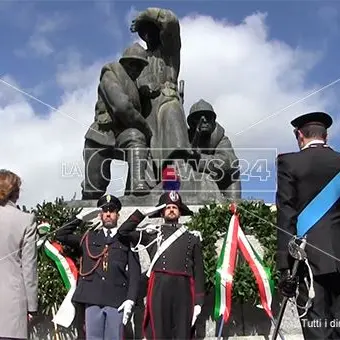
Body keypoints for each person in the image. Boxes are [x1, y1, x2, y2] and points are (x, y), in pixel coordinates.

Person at [276, 112, 340, 339]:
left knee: (318, 328)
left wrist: (284, 267)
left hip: (309, 262)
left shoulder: (288, 162)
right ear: (326, 136)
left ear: (299, 135)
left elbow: (287, 214)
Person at [55, 194, 147, 340]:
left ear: (118, 215)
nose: (108, 214)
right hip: (93, 298)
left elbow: (135, 274)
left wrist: (130, 299)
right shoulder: (89, 237)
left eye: (112, 211)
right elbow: (61, 235)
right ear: (100, 215)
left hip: (116, 300)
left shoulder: (126, 240)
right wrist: (79, 219)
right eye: (105, 211)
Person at [118, 191, 205, 339]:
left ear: (180, 212)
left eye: (175, 207)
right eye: (168, 207)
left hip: (183, 289)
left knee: (182, 333)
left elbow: (199, 272)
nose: (171, 210)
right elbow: (123, 232)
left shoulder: (192, 238)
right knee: (159, 331)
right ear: (161, 212)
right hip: (159, 287)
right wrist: (141, 214)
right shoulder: (153, 234)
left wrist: (199, 302)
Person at [82, 42, 153, 199]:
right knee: (94, 189)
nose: (136, 69)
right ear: (124, 62)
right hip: (102, 135)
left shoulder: (134, 84)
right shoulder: (111, 73)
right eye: (132, 64)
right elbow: (121, 107)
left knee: (136, 137)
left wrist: (147, 95)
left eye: (140, 66)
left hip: (123, 134)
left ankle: (137, 183)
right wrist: (147, 129)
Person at [0, 169, 38, 340]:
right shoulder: (26, 220)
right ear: (15, 192)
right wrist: (32, 307)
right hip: (12, 306)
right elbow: (28, 267)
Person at [187, 99, 241, 199]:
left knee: (233, 173)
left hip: (218, 180)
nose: (204, 120)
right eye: (198, 117)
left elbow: (230, 161)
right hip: (192, 180)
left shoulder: (221, 138)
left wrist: (199, 159)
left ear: (213, 120)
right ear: (192, 123)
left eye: (207, 116)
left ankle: (234, 208)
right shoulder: (184, 137)